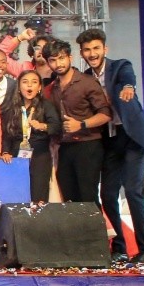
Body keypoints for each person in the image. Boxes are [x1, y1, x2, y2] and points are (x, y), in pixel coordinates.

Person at [77, 28, 144, 261]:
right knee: (107, 194)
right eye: (87, 50)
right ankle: (119, 247)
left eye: (96, 48)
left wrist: (128, 88)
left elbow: (128, 80)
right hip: (110, 139)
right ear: (81, 53)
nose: (92, 53)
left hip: (133, 136)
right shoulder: (85, 78)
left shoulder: (121, 66)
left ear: (105, 49)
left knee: (132, 191)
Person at [46, 38, 111, 205]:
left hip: (88, 145)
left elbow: (105, 114)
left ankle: (96, 224)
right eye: (53, 60)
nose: (58, 64)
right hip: (65, 147)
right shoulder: (52, 88)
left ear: (70, 57)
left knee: (88, 197)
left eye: (61, 58)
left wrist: (81, 124)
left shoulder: (87, 82)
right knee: (69, 198)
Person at [1, 69, 62, 203]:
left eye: (34, 82)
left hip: (40, 154)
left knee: (38, 194)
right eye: (25, 82)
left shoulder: (46, 105)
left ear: (39, 87)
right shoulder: (11, 107)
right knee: (16, 194)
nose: (29, 85)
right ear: (19, 87)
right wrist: (5, 151)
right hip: (15, 154)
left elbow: (57, 127)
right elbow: (6, 133)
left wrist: (42, 126)